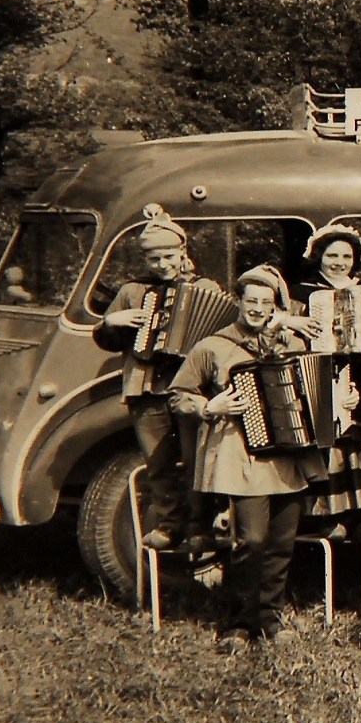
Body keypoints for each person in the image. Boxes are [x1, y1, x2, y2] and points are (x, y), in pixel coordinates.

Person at [167, 265, 326, 652]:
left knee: (281, 542)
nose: (256, 308)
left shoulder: (292, 345)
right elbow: (177, 395)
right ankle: (238, 623)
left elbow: (312, 394)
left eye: (265, 303)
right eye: (250, 300)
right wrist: (210, 405)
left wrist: (338, 404)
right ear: (238, 301)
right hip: (241, 456)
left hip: (288, 459)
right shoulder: (212, 346)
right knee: (251, 540)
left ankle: (269, 620)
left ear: (274, 307)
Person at [91, 204, 228, 553]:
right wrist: (111, 324)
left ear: (183, 253)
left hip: (191, 389)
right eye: (154, 260)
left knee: (197, 459)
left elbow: (221, 339)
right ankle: (170, 525)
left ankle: (200, 527)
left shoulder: (205, 288)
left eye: (169, 257)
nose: (162, 265)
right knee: (159, 463)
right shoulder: (131, 292)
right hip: (146, 386)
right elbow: (105, 339)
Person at [293, 224, 361, 532]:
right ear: (318, 256)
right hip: (326, 375)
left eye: (346, 256)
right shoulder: (303, 291)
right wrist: (292, 320)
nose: (339, 262)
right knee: (332, 440)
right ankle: (328, 518)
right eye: (332, 255)